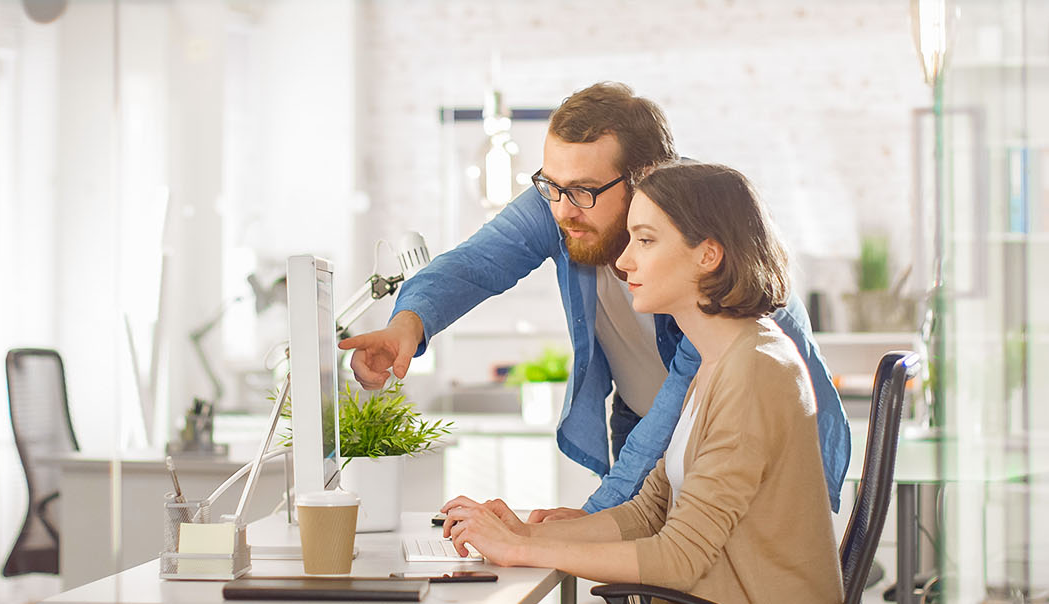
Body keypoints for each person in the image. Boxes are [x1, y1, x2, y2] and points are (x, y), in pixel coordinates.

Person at [338, 82, 850, 516]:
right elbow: (475, 263)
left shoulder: (703, 238)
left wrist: (592, 519)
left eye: (582, 191)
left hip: (759, 453)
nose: (562, 210)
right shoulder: (564, 201)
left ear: (647, 176)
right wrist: (409, 323)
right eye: (551, 186)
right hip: (651, 431)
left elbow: (679, 401)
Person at [441, 162, 844, 603]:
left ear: (708, 255)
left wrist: (519, 548)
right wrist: (523, 534)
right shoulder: (719, 359)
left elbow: (679, 558)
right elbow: (649, 510)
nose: (623, 259)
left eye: (646, 240)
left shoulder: (754, 371)